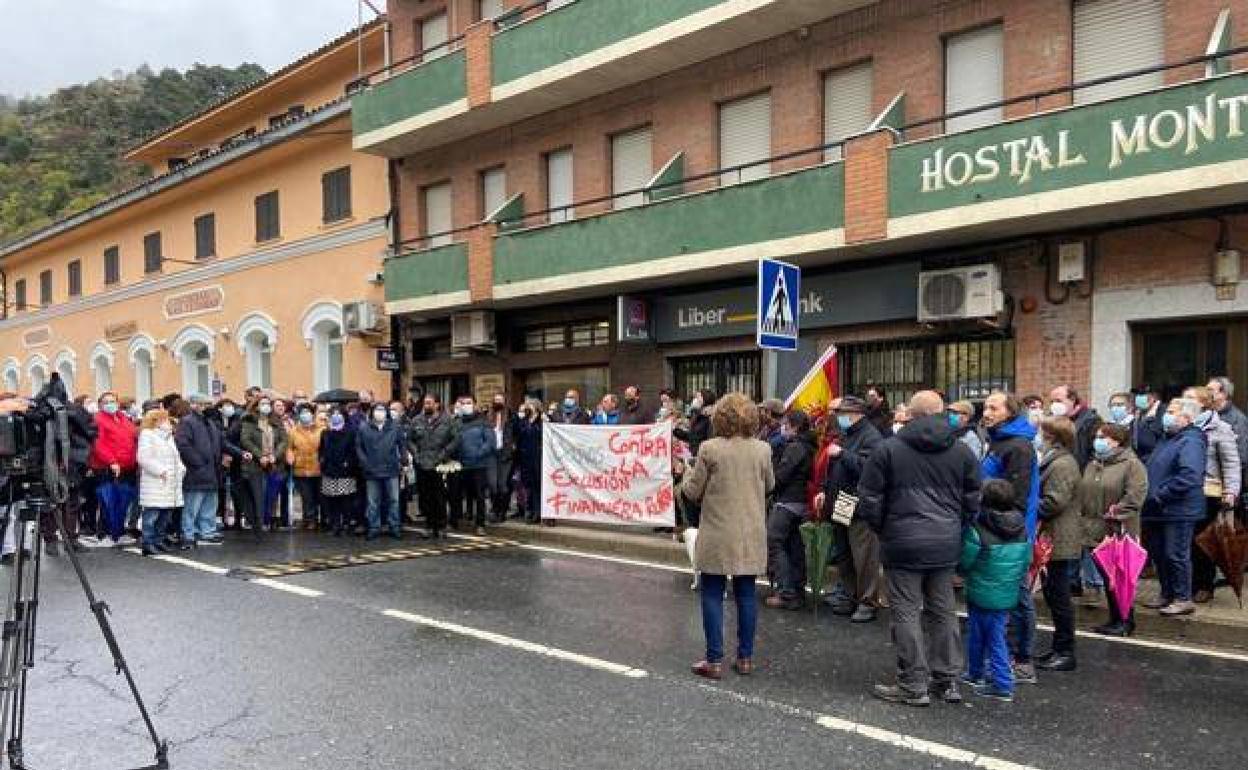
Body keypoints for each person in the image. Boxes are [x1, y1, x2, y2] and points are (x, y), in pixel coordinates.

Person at [857, 391, 980, 707]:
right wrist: (957, 528)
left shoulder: (888, 449)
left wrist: (884, 529)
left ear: (910, 414)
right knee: (943, 609)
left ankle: (913, 682)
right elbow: (972, 499)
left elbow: (869, 498)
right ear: (942, 413)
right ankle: (947, 679)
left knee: (907, 610)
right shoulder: (962, 451)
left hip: (902, 539)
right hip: (945, 539)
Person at [679, 393, 774, 680]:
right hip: (751, 532)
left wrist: (685, 474)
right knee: (746, 594)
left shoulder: (710, 449)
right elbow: (770, 484)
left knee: (712, 593)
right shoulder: (763, 449)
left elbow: (693, 493)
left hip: (719, 531)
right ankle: (744, 658)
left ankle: (714, 660)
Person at [979, 390, 1040, 684]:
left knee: (1018, 596)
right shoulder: (998, 441)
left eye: (993, 408)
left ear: (1010, 412)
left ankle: (1023, 659)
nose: (987, 412)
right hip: (996, 527)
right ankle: (1002, 652)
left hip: (1011, 532)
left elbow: (1016, 497)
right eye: (986, 407)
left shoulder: (1018, 447)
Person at [959, 479, 1032, 702]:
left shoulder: (977, 529)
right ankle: (976, 672)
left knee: (985, 635)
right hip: (1006, 592)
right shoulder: (1022, 528)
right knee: (990, 633)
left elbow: (965, 562)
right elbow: (1025, 561)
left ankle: (1002, 683)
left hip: (980, 589)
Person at [815, 395, 884, 622]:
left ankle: (867, 601)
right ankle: (849, 595)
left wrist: (843, 454)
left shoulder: (871, 437)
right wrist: (825, 490)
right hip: (842, 499)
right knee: (845, 553)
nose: (838, 417)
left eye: (842, 413)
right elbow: (834, 469)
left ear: (856, 414)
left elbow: (868, 469)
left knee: (863, 556)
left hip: (859, 504)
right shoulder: (848, 435)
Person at [1079, 422, 1148, 636]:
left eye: (1102, 437)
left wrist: (1117, 512)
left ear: (1116, 441)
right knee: (1107, 576)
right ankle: (1115, 618)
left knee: (1120, 578)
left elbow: (1136, 495)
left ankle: (1126, 620)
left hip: (1119, 530)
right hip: (1093, 529)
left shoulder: (1131, 465)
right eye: (1096, 436)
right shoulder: (1093, 464)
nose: (1097, 441)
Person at [1142, 398, 1207, 617]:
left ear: (1187, 417)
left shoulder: (1191, 440)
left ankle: (1182, 598)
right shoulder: (1168, 438)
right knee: (1160, 554)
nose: (1165, 415)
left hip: (1178, 508)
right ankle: (1167, 593)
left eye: (1171, 411)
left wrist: (1161, 495)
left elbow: (1190, 475)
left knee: (1175, 554)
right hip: (1158, 510)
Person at [1183, 386, 1241, 604]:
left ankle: (1204, 585)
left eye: (1190, 398)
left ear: (1204, 404)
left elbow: (1231, 463)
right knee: (1183, 542)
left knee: (1202, 542)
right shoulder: (1183, 426)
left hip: (1208, 492)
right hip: (1184, 492)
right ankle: (1185, 584)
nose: (1184, 401)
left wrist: (1231, 492)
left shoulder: (1220, 429)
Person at [1035, 417, 1082, 672]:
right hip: (1053, 536)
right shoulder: (1055, 461)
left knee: (1060, 597)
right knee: (1054, 595)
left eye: (1041, 433)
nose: (1038, 437)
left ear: (1052, 436)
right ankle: (1058, 648)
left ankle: (1065, 651)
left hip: (1059, 538)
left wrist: (1029, 509)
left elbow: (1055, 501)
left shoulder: (1062, 464)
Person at [765, 410, 816, 611]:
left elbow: (781, 476)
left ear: (794, 426)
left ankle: (786, 592)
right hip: (799, 503)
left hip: (787, 502)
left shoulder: (795, 448)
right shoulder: (808, 445)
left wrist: (769, 485)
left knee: (775, 542)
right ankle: (797, 591)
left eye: (785, 424)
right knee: (794, 547)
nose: (782, 428)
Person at [87, 391, 139, 544]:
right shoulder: (98, 420)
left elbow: (131, 439)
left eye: (113, 401)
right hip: (107, 467)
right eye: (106, 402)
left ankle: (118, 531)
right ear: (100, 405)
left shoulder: (124, 418)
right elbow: (98, 444)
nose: (110, 404)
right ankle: (105, 533)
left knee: (123, 501)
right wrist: (111, 461)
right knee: (108, 501)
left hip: (126, 466)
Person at [174, 394, 224, 548]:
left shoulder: (209, 422)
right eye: (202, 404)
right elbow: (183, 445)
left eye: (207, 404)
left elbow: (221, 441)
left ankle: (207, 532)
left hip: (212, 470)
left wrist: (240, 453)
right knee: (192, 505)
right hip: (196, 471)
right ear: (193, 405)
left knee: (209, 504)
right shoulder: (187, 422)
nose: (206, 407)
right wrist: (198, 463)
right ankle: (188, 533)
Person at [136, 409, 185, 557]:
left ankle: (159, 540)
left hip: (170, 482)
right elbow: (144, 457)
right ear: (156, 421)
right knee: (152, 514)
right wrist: (160, 471)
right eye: (166, 420)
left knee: (165, 513)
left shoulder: (168, 437)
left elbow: (176, 457)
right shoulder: (147, 435)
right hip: (156, 481)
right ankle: (147, 543)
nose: (169, 423)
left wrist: (182, 469)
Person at [239, 396, 289, 540]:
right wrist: (260, 455)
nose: (266, 406)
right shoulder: (249, 420)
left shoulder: (276, 421)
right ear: (256, 406)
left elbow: (283, 440)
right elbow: (245, 440)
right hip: (255, 464)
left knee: (271, 495)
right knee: (258, 496)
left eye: (268, 403)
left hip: (274, 464)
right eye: (263, 403)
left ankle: (266, 521)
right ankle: (259, 527)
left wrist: (275, 455)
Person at [355, 401, 406, 540]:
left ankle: (394, 526)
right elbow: (359, 448)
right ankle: (374, 527)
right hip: (371, 471)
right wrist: (365, 463)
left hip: (391, 469)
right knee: (373, 502)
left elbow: (402, 445)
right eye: (377, 409)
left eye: (383, 409)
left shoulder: (395, 427)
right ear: (372, 412)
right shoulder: (364, 428)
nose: (380, 412)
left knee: (394, 500)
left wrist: (404, 461)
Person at [410, 393, 458, 538]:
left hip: (439, 463)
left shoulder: (447, 420)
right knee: (426, 497)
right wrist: (416, 454)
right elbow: (410, 440)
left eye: (430, 403)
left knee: (440, 496)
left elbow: (455, 440)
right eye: (425, 403)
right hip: (422, 463)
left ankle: (441, 525)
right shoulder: (416, 420)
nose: (427, 405)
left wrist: (444, 454)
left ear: (437, 404)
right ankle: (429, 526)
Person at [450, 395, 494, 535]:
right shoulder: (455, 422)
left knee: (479, 496)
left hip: (478, 465)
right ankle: (453, 521)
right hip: (459, 465)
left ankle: (480, 524)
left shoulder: (483, 421)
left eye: (469, 403)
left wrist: (479, 453)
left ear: (475, 405)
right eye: (463, 403)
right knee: (455, 494)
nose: (466, 405)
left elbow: (490, 442)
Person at [318, 409, 359, 536]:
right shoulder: (325, 432)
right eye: (333, 414)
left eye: (338, 413)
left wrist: (349, 463)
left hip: (345, 471)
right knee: (332, 500)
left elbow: (354, 451)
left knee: (346, 500)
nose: (336, 416)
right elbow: (321, 450)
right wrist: (322, 462)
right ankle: (335, 525)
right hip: (329, 471)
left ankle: (347, 524)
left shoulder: (351, 432)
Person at [1048, 385, 1102, 470]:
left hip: (1079, 472)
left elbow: (1095, 453)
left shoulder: (1091, 420)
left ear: (1072, 399)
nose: (1055, 405)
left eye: (1058, 401)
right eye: (1052, 402)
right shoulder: (1053, 421)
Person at [289, 403, 325, 531]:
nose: (305, 414)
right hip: (301, 469)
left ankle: (323, 520)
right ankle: (310, 520)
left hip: (319, 468)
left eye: (308, 412)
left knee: (320, 497)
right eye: (303, 412)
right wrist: (290, 455)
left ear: (312, 414)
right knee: (307, 498)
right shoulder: (293, 431)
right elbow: (289, 448)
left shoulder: (322, 428)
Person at [514, 398, 545, 525]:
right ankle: (530, 510)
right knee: (528, 486)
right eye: (527, 405)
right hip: (525, 457)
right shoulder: (523, 421)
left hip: (537, 457)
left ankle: (538, 513)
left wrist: (543, 420)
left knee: (537, 486)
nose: (528, 407)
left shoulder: (541, 421)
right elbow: (517, 433)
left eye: (531, 405)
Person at [486, 395, 516, 522]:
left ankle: (502, 512)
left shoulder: (511, 416)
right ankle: (495, 509)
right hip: (492, 454)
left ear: (504, 402)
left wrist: (513, 447)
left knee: (502, 485)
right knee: (493, 484)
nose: (498, 402)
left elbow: (517, 433)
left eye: (500, 400)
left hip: (505, 454)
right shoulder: (488, 416)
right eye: (496, 400)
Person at [1131, 386, 1165, 463]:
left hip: (1155, 460)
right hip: (1139, 460)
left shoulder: (1163, 412)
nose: (1139, 397)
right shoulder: (1137, 413)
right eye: (1138, 395)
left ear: (1154, 397)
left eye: (1143, 394)